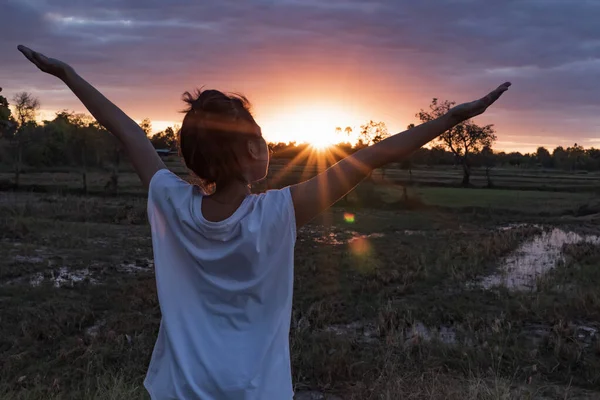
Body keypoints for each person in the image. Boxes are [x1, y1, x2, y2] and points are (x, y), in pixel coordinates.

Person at [17, 44, 510, 400]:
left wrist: (69, 75)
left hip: (177, 390)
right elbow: (373, 156)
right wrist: (452, 118)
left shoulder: (170, 201)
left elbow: (125, 132)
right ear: (252, 149)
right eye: (261, 137)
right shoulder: (280, 210)